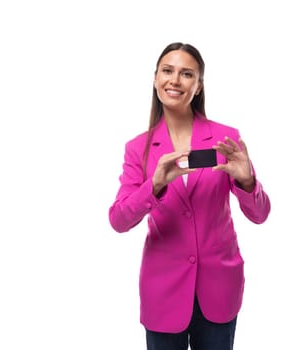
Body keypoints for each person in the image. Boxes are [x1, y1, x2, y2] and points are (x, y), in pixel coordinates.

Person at [108, 42, 271, 350]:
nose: (175, 80)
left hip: (220, 287)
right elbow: (118, 220)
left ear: (198, 86)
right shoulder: (137, 148)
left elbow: (260, 215)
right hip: (163, 289)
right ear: (155, 78)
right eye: (167, 71)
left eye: (186, 74)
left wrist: (248, 182)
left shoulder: (226, 138)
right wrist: (153, 186)